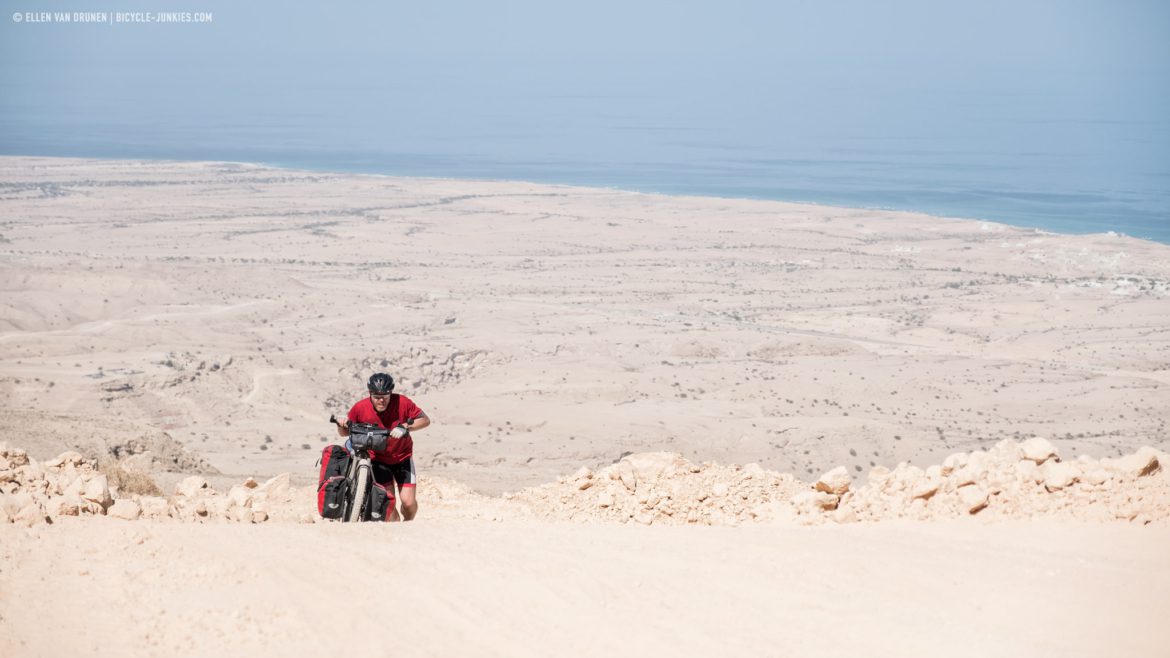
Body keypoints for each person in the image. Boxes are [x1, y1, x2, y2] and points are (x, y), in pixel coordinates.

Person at [336, 372, 430, 521]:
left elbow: (425, 420)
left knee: (408, 502)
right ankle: (397, 527)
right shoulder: (360, 408)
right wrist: (341, 424)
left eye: (385, 396)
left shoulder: (403, 402)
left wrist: (405, 427)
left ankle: (409, 523)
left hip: (402, 457)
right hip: (377, 460)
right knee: (388, 504)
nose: (381, 400)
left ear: (390, 393)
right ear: (370, 393)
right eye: (377, 397)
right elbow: (344, 433)